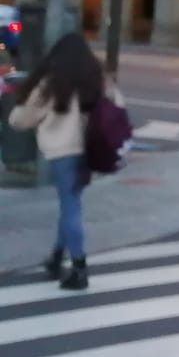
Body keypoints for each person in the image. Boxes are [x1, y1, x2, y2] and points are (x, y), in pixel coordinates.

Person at [7, 33, 120, 291]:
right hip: (90, 150)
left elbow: (22, 118)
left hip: (63, 151)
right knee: (71, 203)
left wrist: (15, 115)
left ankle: (79, 268)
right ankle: (56, 256)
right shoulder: (98, 77)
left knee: (71, 207)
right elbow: (116, 106)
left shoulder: (53, 81)